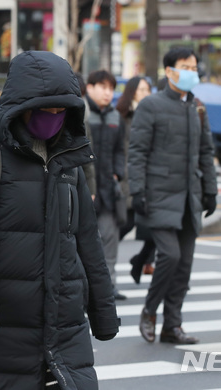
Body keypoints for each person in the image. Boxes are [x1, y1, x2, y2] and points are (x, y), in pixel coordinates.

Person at [0, 50, 119, 390]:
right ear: (21, 108)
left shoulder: (70, 164)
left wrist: (103, 311)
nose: (53, 118)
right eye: (44, 110)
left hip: (64, 328)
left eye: (60, 111)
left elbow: (87, 241)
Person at [130, 47, 218, 345]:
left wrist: (211, 191)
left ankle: (173, 326)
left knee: (183, 266)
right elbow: (137, 152)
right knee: (169, 256)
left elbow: (206, 152)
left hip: (188, 199)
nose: (191, 72)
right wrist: (137, 191)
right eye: (184, 66)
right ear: (169, 71)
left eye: (194, 67)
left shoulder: (198, 108)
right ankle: (149, 310)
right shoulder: (150, 106)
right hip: (159, 195)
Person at [84, 70, 127, 301]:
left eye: (110, 88)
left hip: (108, 191)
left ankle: (109, 287)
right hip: (87, 191)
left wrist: (118, 174)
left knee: (109, 240)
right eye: (102, 87)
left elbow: (121, 150)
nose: (107, 93)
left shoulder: (115, 117)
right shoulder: (82, 114)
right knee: (86, 242)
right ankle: (87, 287)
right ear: (89, 87)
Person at [116, 77, 155, 283]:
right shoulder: (123, 116)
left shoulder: (152, 114)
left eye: (148, 89)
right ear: (132, 92)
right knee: (126, 223)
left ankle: (141, 261)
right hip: (128, 177)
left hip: (148, 180)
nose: (145, 93)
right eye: (141, 89)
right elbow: (123, 150)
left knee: (155, 226)